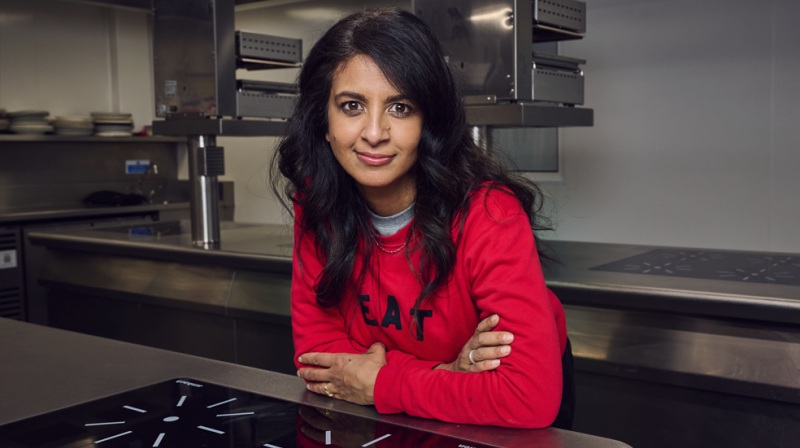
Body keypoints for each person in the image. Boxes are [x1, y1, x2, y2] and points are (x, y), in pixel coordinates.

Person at [271, 7, 571, 429]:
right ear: (324, 119)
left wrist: (380, 381)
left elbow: (527, 397)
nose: (374, 133)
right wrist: (443, 374)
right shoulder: (317, 202)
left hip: (506, 417)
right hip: (426, 397)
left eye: (400, 108)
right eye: (352, 105)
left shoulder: (489, 213)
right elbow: (320, 361)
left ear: (427, 120)